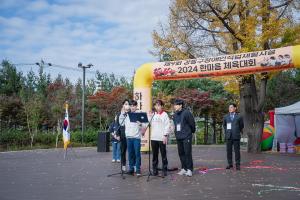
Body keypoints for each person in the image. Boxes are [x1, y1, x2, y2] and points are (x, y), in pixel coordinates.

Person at [173, 99, 195, 177]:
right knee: (181, 153)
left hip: (186, 136)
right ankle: (184, 168)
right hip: (179, 136)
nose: (174, 106)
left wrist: (190, 132)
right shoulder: (175, 115)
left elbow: (192, 124)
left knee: (187, 152)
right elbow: (175, 125)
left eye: (176, 105)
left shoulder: (187, 113)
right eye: (174, 105)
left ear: (180, 105)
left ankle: (189, 169)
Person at [124, 100, 146, 177]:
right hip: (129, 137)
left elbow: (144, 126)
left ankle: (138, 169)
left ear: (136, 106)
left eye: (134, 106)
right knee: (130, 154)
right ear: (130, 106)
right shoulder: (126, 115)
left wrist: (140, 124)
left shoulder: (139, 114)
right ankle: (131, 168)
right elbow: (123, 124)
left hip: (136, 137)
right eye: (131, 105)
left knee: (137, 154)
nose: (132, 107)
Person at [149, 99, 170, 177]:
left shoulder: (165, 114)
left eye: (158, 105)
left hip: (161, 138)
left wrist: (165, 136)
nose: (157, 107)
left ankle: (164, 169)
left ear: (162, 106)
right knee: (154, 155)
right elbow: (149, 124)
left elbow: (167, 126)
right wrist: (149, 116)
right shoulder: (153, 114)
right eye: (155, 105)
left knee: (163, 154)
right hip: (153, 138)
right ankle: (155, 169)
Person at [222, 103, 244, 170]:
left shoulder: (239, 117)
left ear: (235, 108)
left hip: (236, 136)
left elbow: (241, 126)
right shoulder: (226, 116)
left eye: (231, 107)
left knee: (237, 151)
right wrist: (227, 132)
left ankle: (237, 164)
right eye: (229, 107)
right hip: (228, 136)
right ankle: (230, 164)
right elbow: (224, 125)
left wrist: (236, 131)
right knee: (229, 151)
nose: (230, 109)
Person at [115, 99, 130, 171]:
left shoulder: (131, 113)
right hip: (122, 135)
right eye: (126, 104)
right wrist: (117, 135)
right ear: (123, 105)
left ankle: (132, 166)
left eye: (128, 104)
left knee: (131, 151)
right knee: (123, 151)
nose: (127, 105)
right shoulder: (118, 114)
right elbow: (117, 124)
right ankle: (123, 165)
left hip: (130, 135)